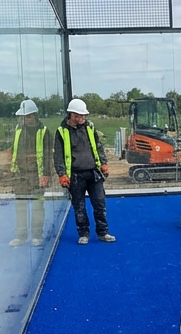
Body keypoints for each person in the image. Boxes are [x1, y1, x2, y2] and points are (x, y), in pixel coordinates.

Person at [53, 98, 115, 245]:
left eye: (84, 116)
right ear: (72, 115)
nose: (83, 118)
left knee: (100, 204)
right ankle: (83, 233)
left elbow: (98, 147)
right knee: (79, 206)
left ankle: (103, 232)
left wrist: (103, 163)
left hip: (94, 173)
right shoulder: (62, 132)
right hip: (75, 176)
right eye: (80, 116)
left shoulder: (89, 128)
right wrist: (62, 174)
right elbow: (58, 155)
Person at [10, 99, 51, 246]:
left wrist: (45, 175)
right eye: (22, 117)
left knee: (37, 207)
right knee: (20, 207)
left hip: (37, 175)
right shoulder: (18, 129)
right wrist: (13, 171)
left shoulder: (44, 131)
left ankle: (36, 235)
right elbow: (15, 151)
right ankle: (21, 236)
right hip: (21, 175)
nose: (23, 119)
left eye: (26, 117)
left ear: (33, 116)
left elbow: (47, 156)